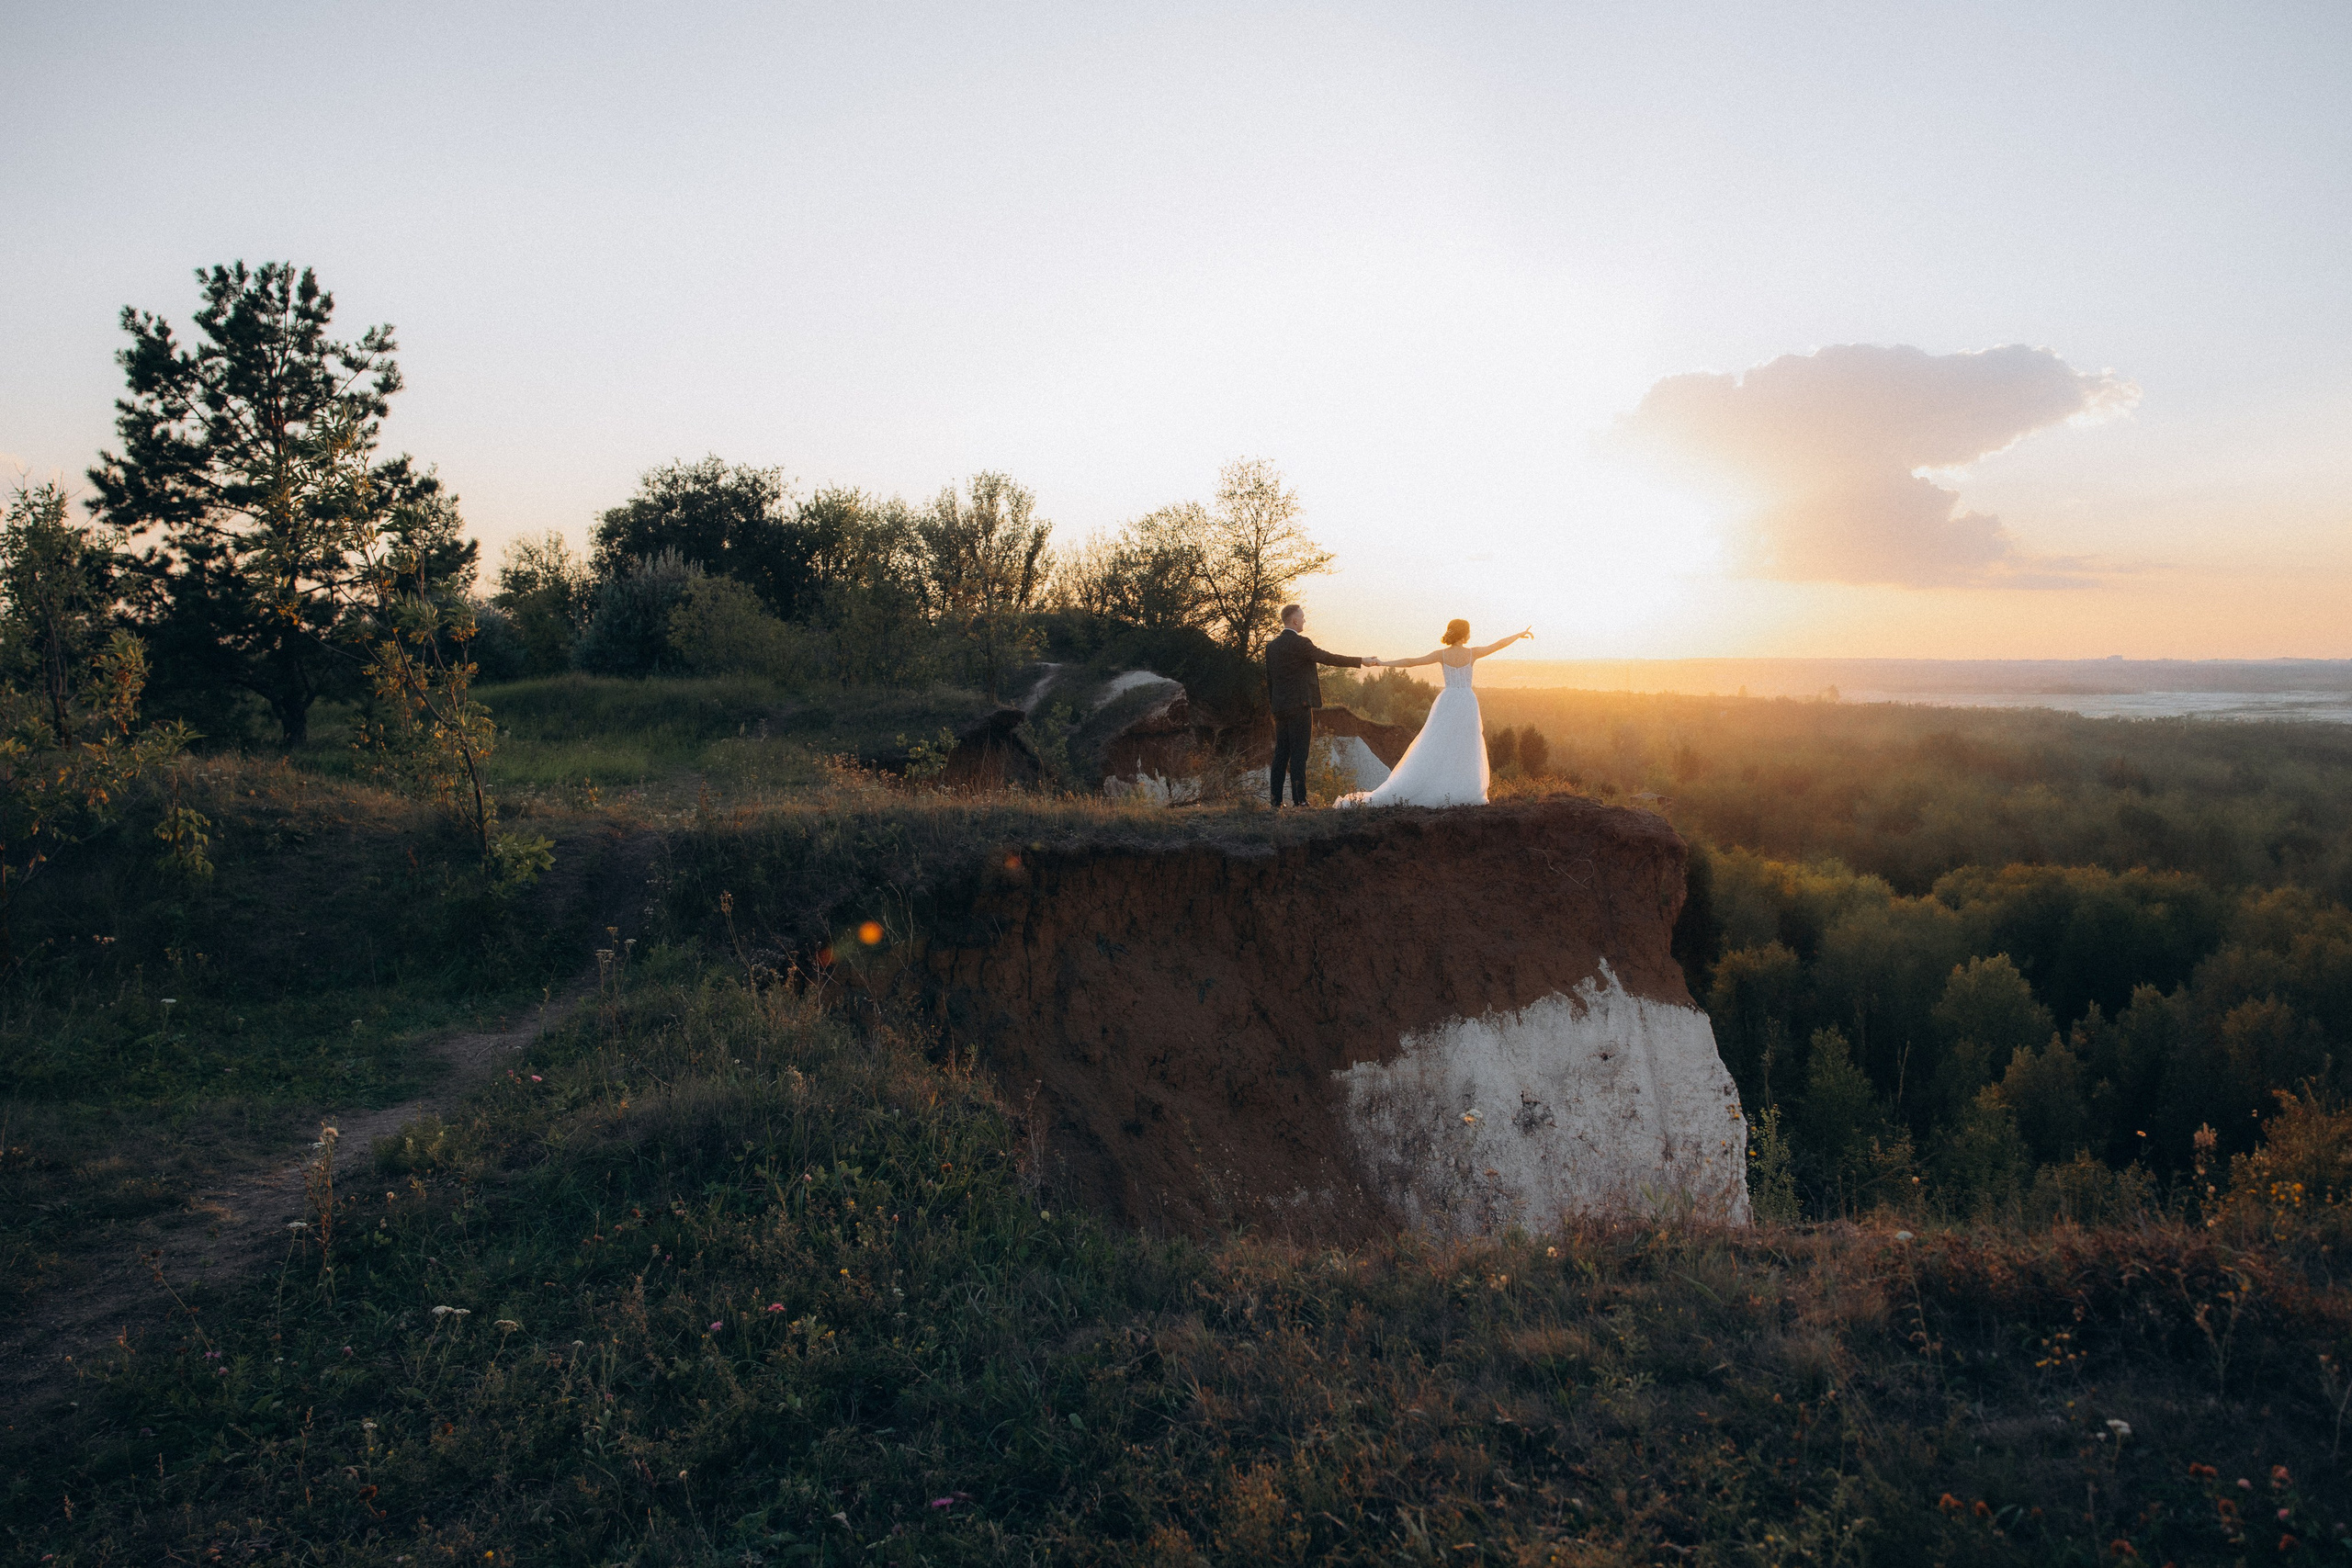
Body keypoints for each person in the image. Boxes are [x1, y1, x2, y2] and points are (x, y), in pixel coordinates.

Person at [1336, 618, 1532, 807]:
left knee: (1441, 744)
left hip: (1447, 701)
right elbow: (1498, 645)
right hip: (1466, 703)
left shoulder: (1442, 654)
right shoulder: (1472, 653)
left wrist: (1384, 663)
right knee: (1465, 745)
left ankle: (1443, 786)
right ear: (1465, 634)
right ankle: (1463, 789)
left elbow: (1412, 662)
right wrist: (1519, 634)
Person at [1262, 604, 1376, 807]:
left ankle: (1275, 801)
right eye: (1302, 617)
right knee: (1299, 754)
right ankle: (1300, 801)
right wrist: (1361, 661)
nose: (1304, 620)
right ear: (1294, 620)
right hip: (1300, 706)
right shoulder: (1301, 644)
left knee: (1281, 753)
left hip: (1279, 707)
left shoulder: (1271, 647)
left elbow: (1270, 679)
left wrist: (1275, 705)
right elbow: (1328, 658)